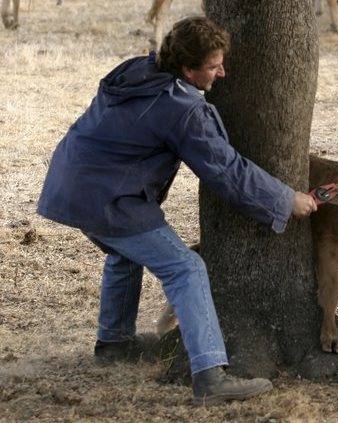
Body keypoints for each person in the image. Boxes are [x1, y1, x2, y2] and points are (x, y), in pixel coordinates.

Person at [36, 16, 317, 405]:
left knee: (124, 251)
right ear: (188, 69)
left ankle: (113, 343)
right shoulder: (183, 109)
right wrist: (286, 199)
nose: (223, 73)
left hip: (70, 185)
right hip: (108, 199)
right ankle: (210, 375)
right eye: (214, 66)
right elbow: (228, 171)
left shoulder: (137, 71)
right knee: (186, 268)